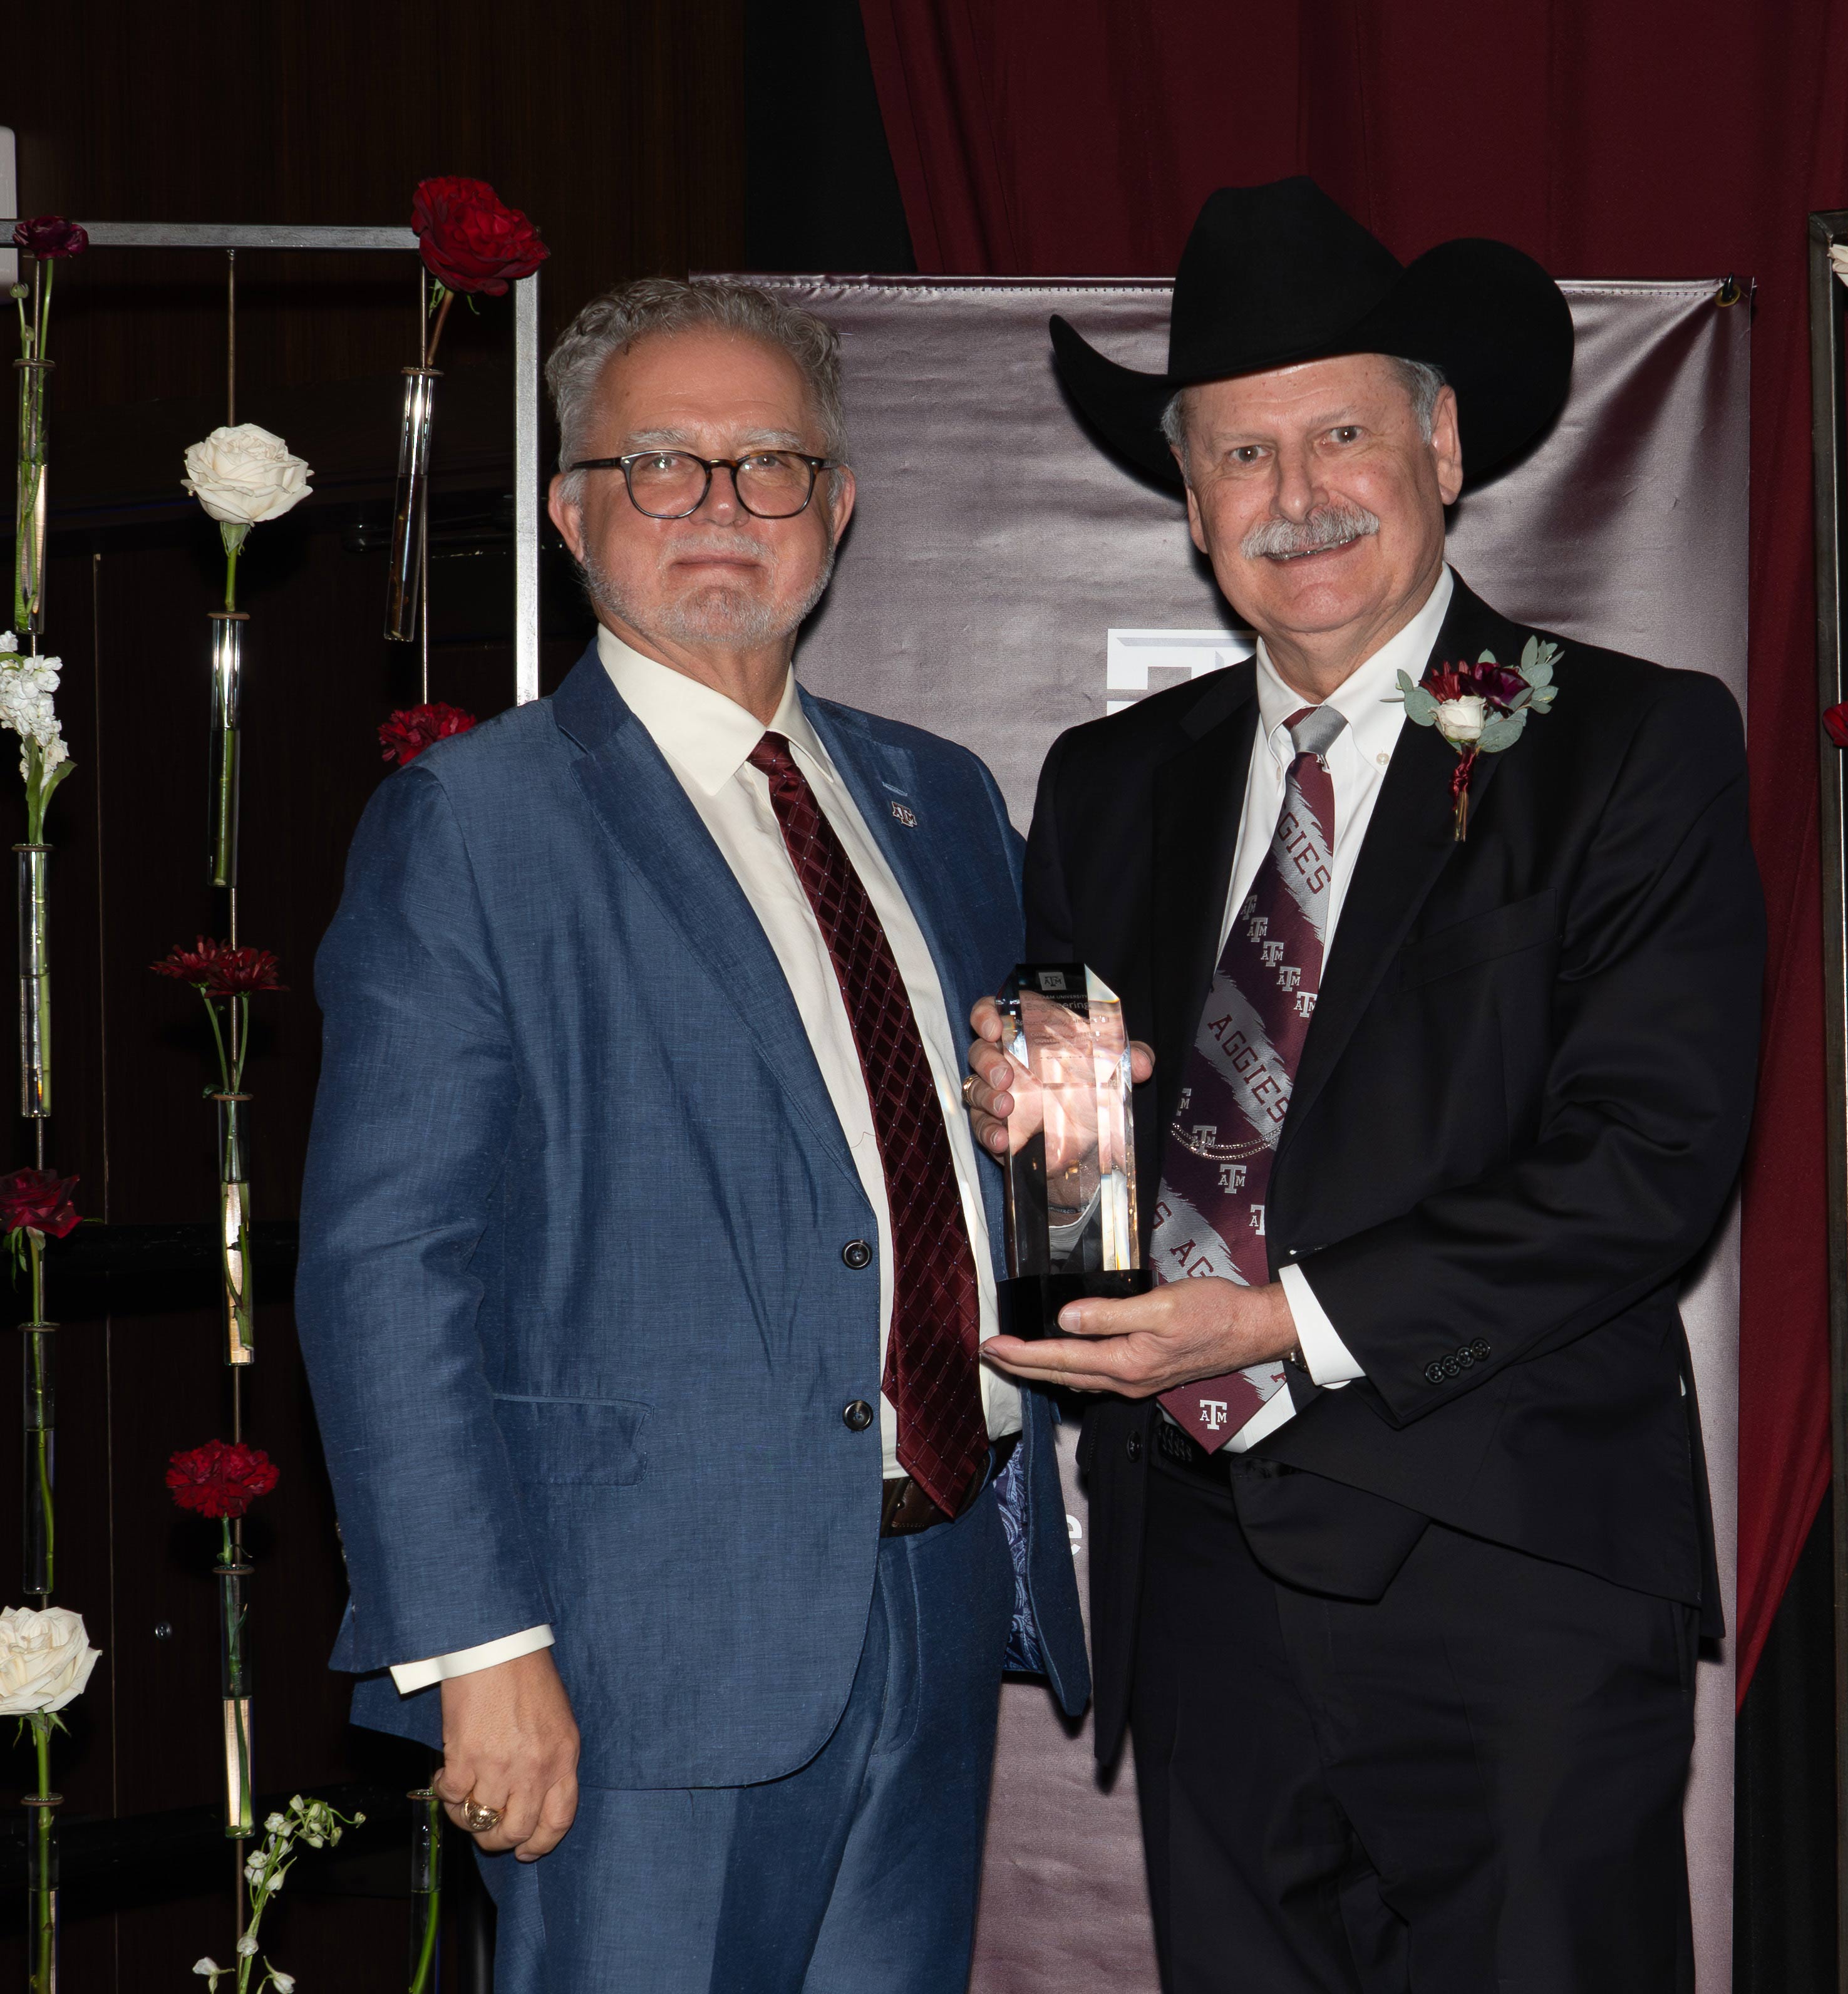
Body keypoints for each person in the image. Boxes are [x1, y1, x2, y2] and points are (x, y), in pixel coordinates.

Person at [965, 178, 1763, 1993]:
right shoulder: (1110, 778)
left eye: (1341, 431)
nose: (1296, 492)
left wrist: (1278, 1325)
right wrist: (1040, 1140)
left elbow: (1646, 1163)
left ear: (1444, 446)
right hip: (1205, 1589)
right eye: (1240, 452)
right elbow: (1086, 1158)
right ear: (1189, 503)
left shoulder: (1627, 742)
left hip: (1516, 1582)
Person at [297, 276, 1086, 1994]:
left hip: (930, 1593)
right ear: (574, 510)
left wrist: (1078, 1139)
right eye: (661, 465)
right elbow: (385, 1270)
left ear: (841, 506)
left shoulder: (935, 796)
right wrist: (478, 1645)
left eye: (768, 466)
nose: (719, 510)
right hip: (624, 1651)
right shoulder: (474, 824)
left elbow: (958, 1155)